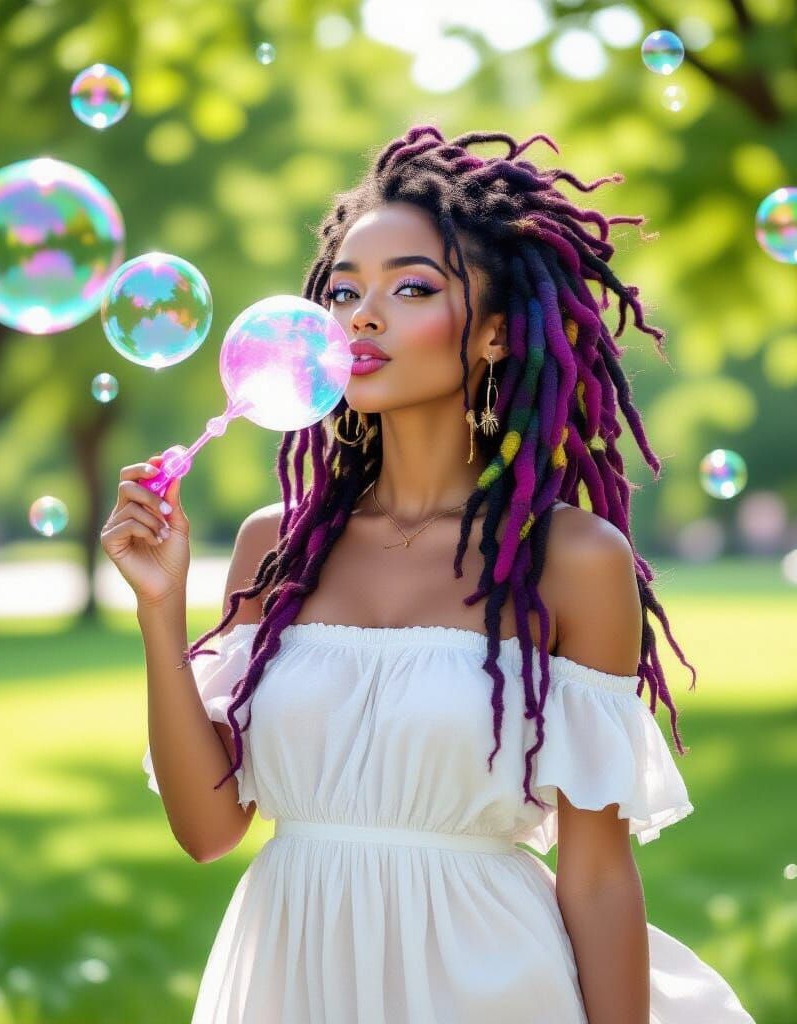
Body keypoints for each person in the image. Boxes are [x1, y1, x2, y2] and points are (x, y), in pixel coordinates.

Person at [101, 125, 756, 1023]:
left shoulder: (572, 561)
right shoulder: (275, 548)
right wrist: (159, 609)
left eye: (411, 288)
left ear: (493, 333)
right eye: (344, 291)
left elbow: (599, 876)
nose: (361, 317)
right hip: (292, 980)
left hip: (491, 986)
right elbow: (209, 831)